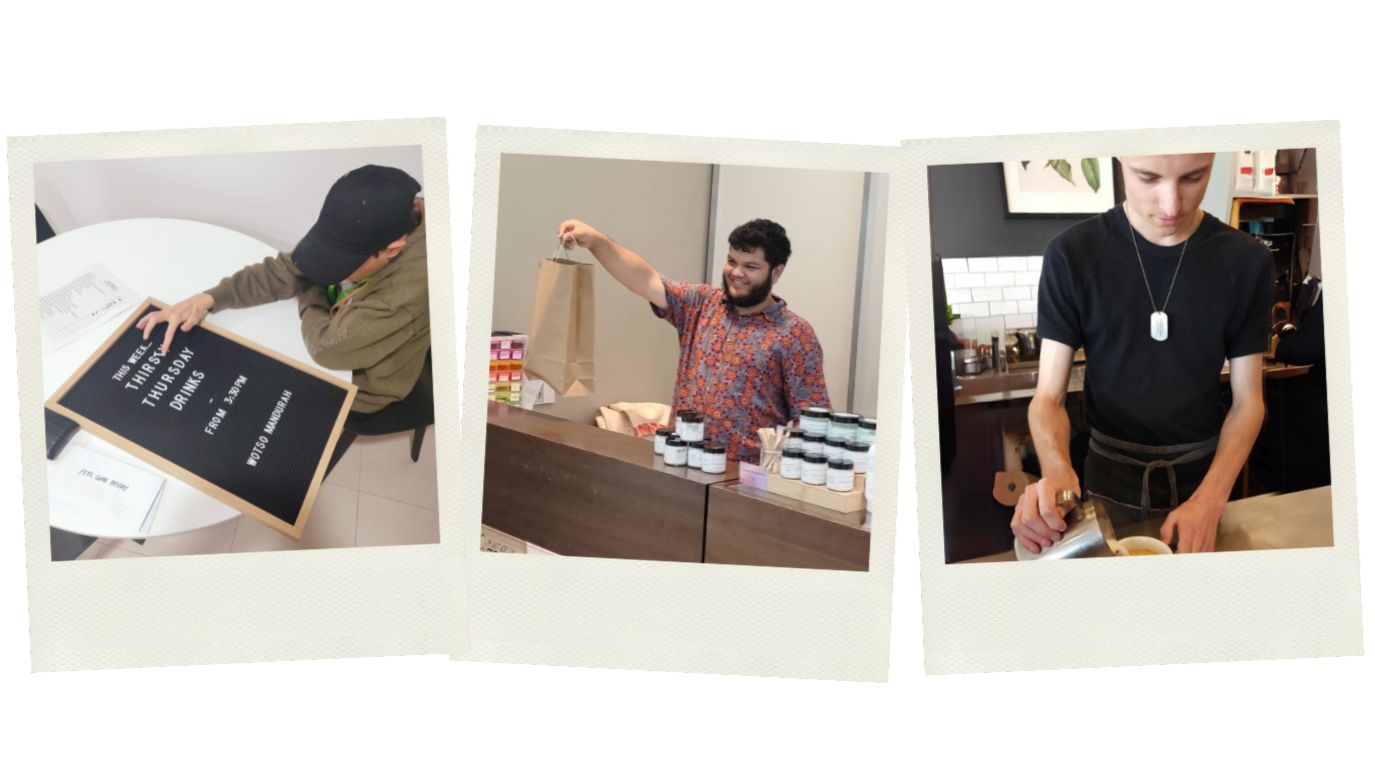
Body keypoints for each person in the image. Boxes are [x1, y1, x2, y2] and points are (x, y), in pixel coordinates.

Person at [1012, 154, 1273, 554]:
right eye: (1147, 177)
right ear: (1119, 158)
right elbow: (1049, 398)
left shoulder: (1246, 261)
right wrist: (1058, 473)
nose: (1171, 205)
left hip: (1205, 483)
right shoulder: (1071, 255)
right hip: (1104, 488)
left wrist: (1211, 498)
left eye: (1193, 177)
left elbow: (1248, 403)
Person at [135, 164, 430, 419]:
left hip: (364, 385)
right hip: (345, 323)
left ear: (392, 250)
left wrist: (312, 288)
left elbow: (324, 347)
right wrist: (207, 299)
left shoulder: (405, 293)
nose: (329, 268)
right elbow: (288, 268)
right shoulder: (378, 214)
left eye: (342, 263)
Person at [556, 217, 831, 464]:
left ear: (776, 272)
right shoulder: (702, 304)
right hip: (680, 462)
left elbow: (811, 419)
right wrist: (597, 241)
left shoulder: (794, 334)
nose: (736, 273)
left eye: (750, 266)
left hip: (744, 480)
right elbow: (645, 279)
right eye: (732, 261)